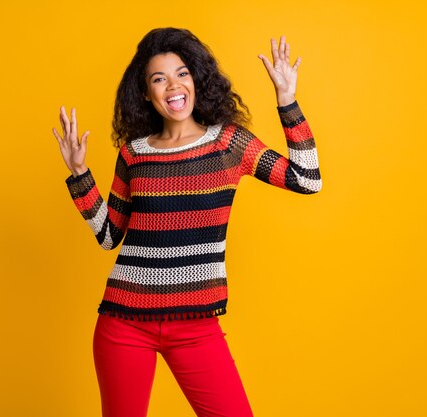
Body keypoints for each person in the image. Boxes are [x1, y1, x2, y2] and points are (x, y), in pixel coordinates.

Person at [52, 27, 321, 417]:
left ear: (196, 79)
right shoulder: (134, 155)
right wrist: (80, 176)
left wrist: (287, 100)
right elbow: (110, 236)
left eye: (182, 73)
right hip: (124, 323)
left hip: (195, 327)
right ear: (145, 93)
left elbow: (307, 179)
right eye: (158, 79)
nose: (173, 86)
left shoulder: (230, 144)